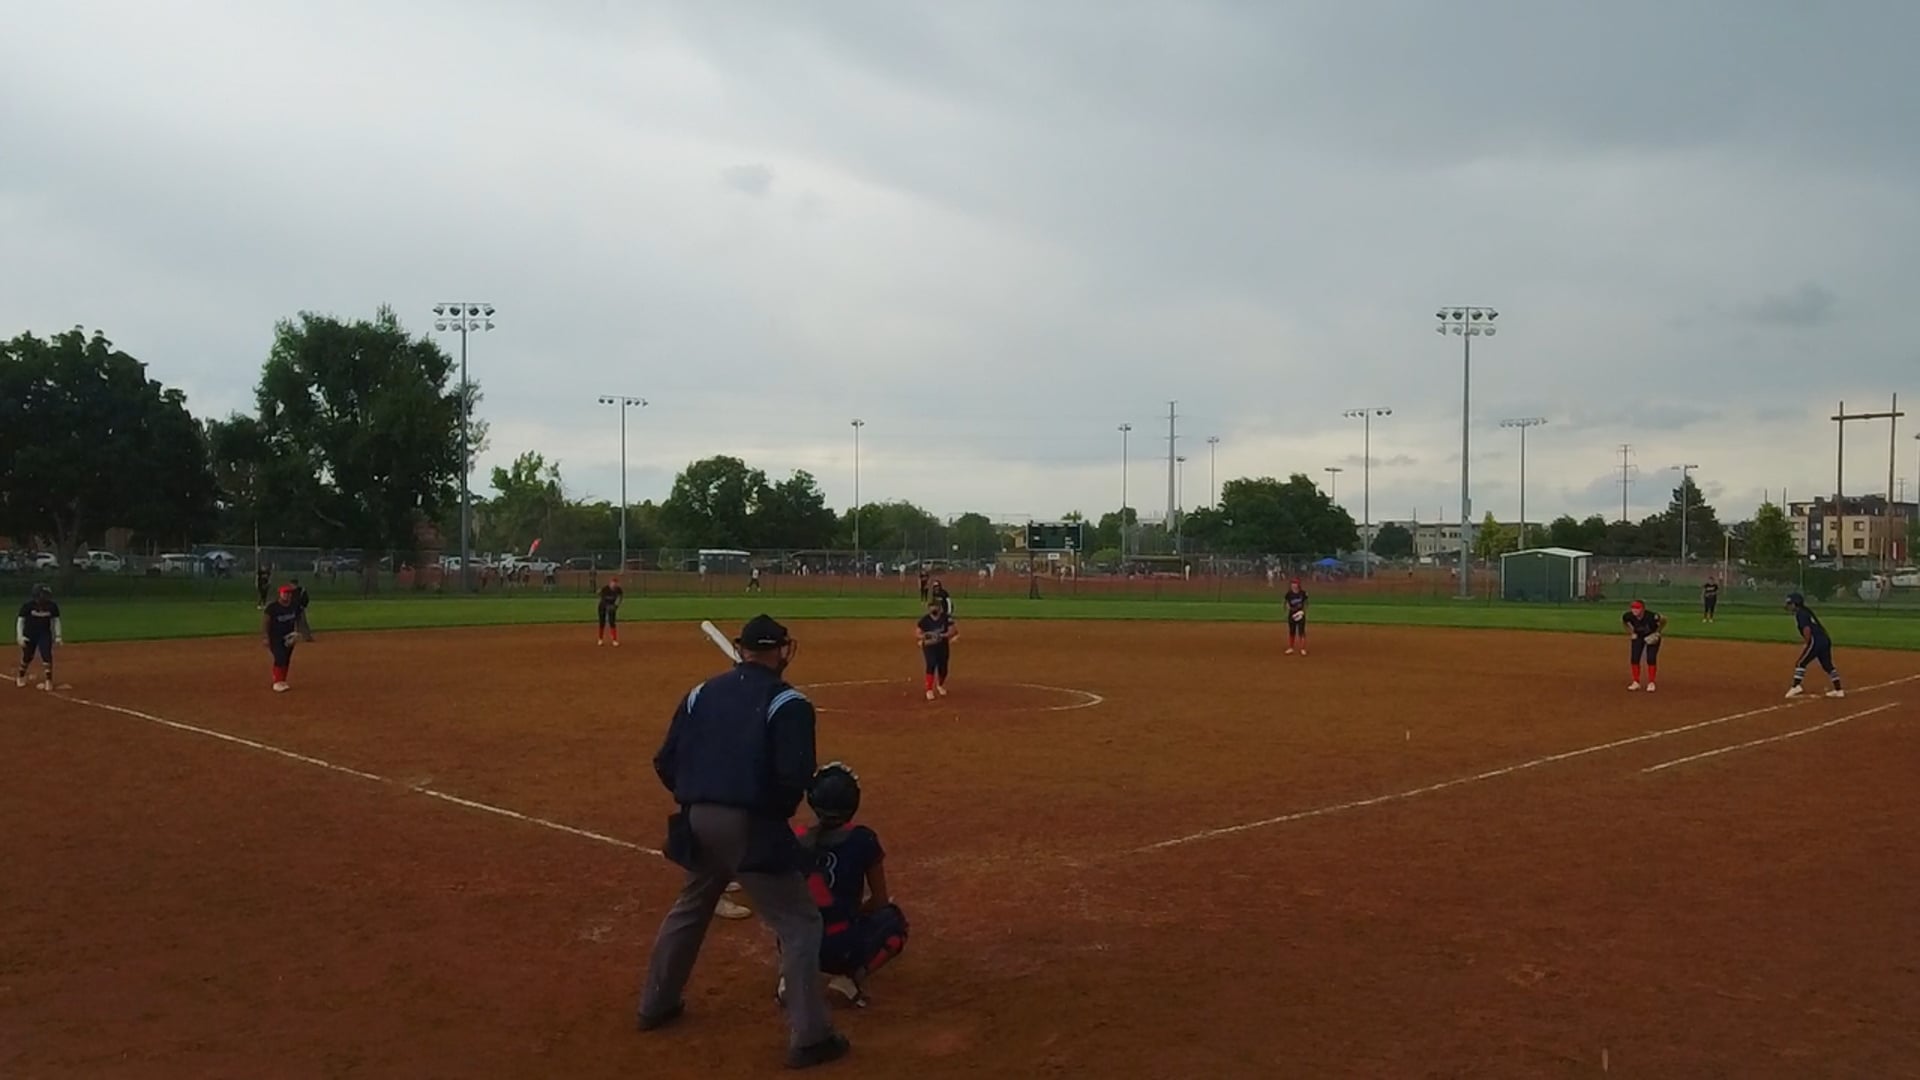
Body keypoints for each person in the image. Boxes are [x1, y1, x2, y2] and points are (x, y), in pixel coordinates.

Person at [637, 614, 849, 1070]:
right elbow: (793, 779)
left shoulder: (700, 693)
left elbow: (665, 761)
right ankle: (811, 1036)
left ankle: (655, 1004)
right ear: (782, 651)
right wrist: (762, 819)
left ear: (742, 649)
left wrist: (699, 796)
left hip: (696, 818)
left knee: (691, 907)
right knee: (799, 922)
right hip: (749, 824)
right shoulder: (789, 702)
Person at [775, 762, 908, 1009]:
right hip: (840, 946)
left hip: (799, 940)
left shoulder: (797, 837)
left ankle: (789, 975)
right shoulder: (863, 839)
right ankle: (849, 979)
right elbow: (879, 901)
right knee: (894, 923)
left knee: (792, 916)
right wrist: (854, 914)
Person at [1784, 592, 1844, 699]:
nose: (1789, 606)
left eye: (1790, 603)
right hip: (1825, 639)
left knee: (1801, 663)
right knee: (1827, 665)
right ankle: (1838, 690)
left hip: (1816, 640)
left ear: (1796, 603)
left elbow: (1806, 629)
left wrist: (1807, 643)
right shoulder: (1806, 611)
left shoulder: (1800, 613)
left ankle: (1796, 686)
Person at [16, 584, 62, 691]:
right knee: (28, 656)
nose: (45, 597)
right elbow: (20, 621)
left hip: (44, 633)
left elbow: (56, 620)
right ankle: (21, 675)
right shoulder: (28, 606)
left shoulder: (52, 606)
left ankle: (48, 680)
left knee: (46, 655)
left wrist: (58, 636)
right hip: (29, 634)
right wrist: (20, 636)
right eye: (43, 594)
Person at [914, 598, 958, 701]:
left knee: (943, 669)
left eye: (935, 607)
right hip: (929, 646)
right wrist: (926, 636)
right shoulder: (924, 620)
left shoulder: (946, 618)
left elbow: (953, 630)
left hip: (942, 646)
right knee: (931, 663)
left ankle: (940, 685)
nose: (933, 609)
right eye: (931, 607)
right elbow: (917, 633)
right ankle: (929, 690)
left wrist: (941, 636)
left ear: (939, 608)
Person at [1622, 600, 1667, 692]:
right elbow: (1624, 622)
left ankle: (1651, 682)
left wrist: (1657, 632)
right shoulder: (1628, 616)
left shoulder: (1651, 616)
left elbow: (1664, 620)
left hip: (1651, 636)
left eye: (1637, 608)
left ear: (1643, 609)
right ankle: (1636, 682)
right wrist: (1631, 632)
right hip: (1639, 636)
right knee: (1635, 658)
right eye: (1633, 608)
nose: (1635, 610)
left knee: (1651, 658)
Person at [264, 584, 300, 693]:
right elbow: (266, 622)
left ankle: (282, 680)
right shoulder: (273, 608)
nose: (287, 595)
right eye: (285, 593)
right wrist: (266, 637)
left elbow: (298, 619)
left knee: (286, 659)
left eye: (289, 593)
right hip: (275, 637)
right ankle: (277, 682)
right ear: (280, 594)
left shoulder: (294, 606)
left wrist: (296, 633)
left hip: (288, 637)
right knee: (280, 657)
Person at [1283, 578, 1309, 655]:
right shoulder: (1289, 594)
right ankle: (1291, 648)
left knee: (1301, 631)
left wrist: (1303, 611)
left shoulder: (1303, 593)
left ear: (1298, 585)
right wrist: (1288, 608)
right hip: (1292, 614)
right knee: (1292, 631)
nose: (1293, 585)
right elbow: (1286, 603)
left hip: (1300, 614)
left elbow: (1306, 603)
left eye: (1295, 583)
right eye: (1292, 583)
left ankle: (1302, 649)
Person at [597, 577, 624, 646]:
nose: (614, 584)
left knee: (612, 622)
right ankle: (600, 639)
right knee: (602, 622)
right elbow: (601, 597)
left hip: (612, 607)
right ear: (610, 583)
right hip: (603, 606)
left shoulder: (618, 589)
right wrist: (607, 606)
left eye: (615, 583)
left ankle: (614, 640)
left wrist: (616, 605)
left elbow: (620, 597)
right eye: (613, 583)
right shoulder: (605, 589)